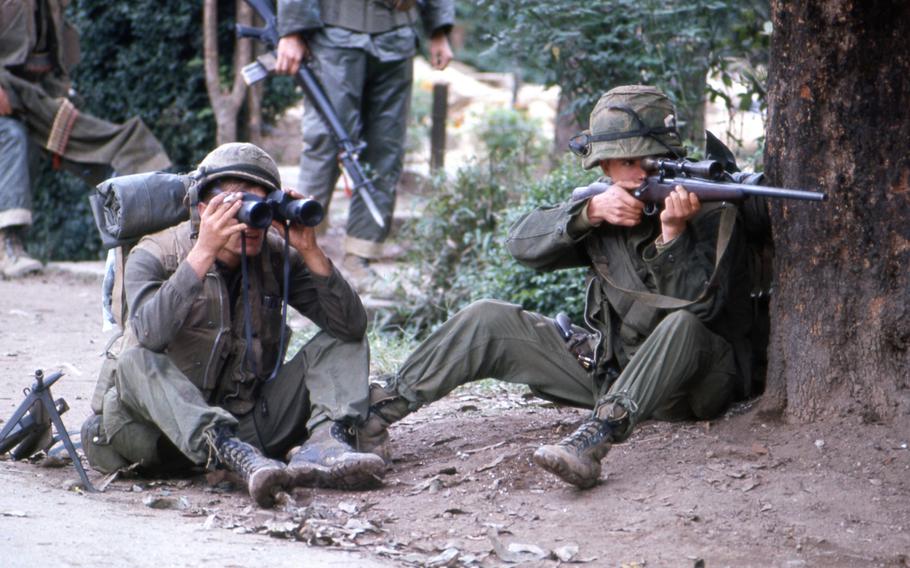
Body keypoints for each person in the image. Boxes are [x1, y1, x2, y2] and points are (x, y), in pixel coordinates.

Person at [356, 85, 754, 489]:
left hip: (692, 386)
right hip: (613, 375)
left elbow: (703, 310)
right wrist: (589, 214)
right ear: (604, 168)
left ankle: (593, 439)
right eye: (626, 161)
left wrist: (672, 236)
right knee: (487, 318)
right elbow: (521, 245)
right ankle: (372, 417)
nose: (640, 172)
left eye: (651, 162)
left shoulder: (710, 210)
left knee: (683, 324)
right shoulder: (604, 208)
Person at [81, 143, 385, 507]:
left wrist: (309, 250)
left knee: (344, 340)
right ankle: (228, 452)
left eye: (263, 207)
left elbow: (350, 327)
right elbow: (148, 334)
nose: (252, 222)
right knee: (133, 361)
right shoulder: (155, 253)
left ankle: (324, 447)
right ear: (207, 211)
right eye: (240, 207)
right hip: (158, 433)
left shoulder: (274, 255)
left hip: (248, 431)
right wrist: (203, 252)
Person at [274, 0, 455, 289]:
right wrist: (292, 30)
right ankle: (296, 250)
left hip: (397, 34)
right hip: (335, 34)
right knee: (327, 141)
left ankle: (360, 255)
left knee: (386, 147)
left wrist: (438, 29)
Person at [0, 0, 171, 278]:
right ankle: (7, 245)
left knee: (109, 146)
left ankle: (137, 239)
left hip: (35, 100)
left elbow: (55, 63)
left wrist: (62, 96)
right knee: (13, 136)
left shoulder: (53, 6)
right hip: (12, 102)